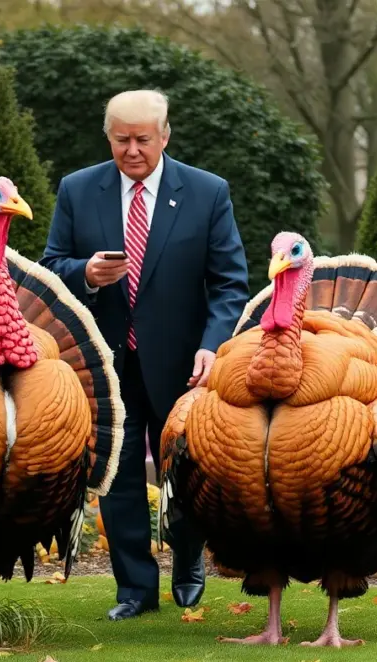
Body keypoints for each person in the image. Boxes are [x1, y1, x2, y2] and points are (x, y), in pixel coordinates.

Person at [39, 89, 250, 621]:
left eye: (143, 140)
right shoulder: (78, 189)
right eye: (121, 139)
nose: (132, 150)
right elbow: (50, 265)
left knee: (186, 473)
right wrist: (84, 273)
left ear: (165, 136)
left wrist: (211, 346)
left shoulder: (207, 192)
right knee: (119, 477)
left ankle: (187, 562)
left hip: (184, 365)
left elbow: (229, 285)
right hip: (107, 367)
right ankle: (134, 590)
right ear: (108, 136)